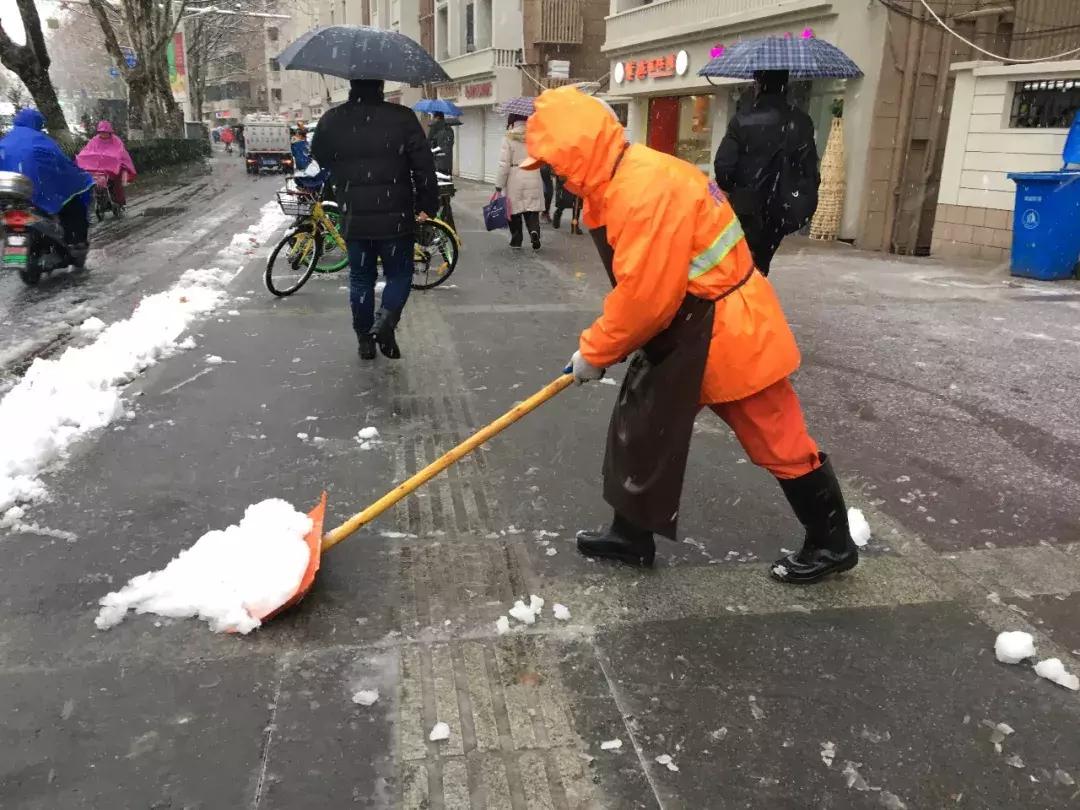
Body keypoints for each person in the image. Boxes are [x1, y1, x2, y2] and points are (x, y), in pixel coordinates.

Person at [523, 86, 857, 584]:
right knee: (643, 424)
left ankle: (832, 541)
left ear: (581, 149)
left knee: (776, 438)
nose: (557, 175)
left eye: (556, 163)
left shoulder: (644, 190)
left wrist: (594, 351)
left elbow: (644, 298)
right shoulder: (621, 177)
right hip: (686, 324)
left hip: (728, 328)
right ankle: (630, 533)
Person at [312, 79, 437, 361]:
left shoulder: (333, 119)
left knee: (360, 279)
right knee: (400, 274)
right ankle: (386, 321)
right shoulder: (402, 118)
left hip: (354, 216)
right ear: (380, 86)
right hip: (396, 218)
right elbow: (424, 165)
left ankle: (364, 340)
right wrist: (427, 202)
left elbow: (319, 155)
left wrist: (344, 171)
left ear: (352, 85)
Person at [713, 70, 819, 276]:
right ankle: (754, 290)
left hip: (746, 206)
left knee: (737, 263)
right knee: (760, 261)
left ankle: (744, 299)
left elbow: (723, 168)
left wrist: (735, 188)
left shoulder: (742, 120)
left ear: (758, 85)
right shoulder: (801, 121)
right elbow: (809, 170)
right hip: (781, 208)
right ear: (785, 86)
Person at [0, 108, 93, 250]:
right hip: (39, 192)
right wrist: (79, 177)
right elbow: (62, 164)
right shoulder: (41, 140)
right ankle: (76, 241)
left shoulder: (6, 141)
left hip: (9, 198)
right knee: (74, 205)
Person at [495, 113, 544, 250]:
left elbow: (504, 164)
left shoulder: (508, 137)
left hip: (515, 176)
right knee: (531, 208)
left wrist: (499, 185)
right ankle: (534, 231)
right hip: (533, 173)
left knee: (514, 210)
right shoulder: (535, 137)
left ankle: (517, 239)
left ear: (513, 121)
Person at [76, 120, 136, 208]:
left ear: (109, 132)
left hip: (112, 169)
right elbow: (87, 151)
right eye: (101, 132)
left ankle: (118, 201)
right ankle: (101, 201)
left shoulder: (115, 140)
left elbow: (119, 152)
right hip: (98, 169)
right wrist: (82, 159)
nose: (103, 134)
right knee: (94, 183)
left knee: (116, 184)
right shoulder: (95, 140)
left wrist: (111, 159)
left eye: (105, 132)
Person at [426, 111, 454, 176]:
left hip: (437, 161)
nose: (433, 119)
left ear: (438, 118)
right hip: (448, 160)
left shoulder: (434, 127)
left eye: (434, 118)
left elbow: (429, 142)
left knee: (438, 180)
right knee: (447, 179)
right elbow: (450, 143)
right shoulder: (449, 128)